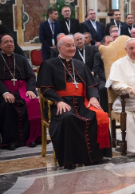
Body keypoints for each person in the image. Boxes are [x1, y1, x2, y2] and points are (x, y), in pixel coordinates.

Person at [36, 35, 111, 169]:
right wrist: (58, 101)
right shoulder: (49, 64)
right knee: (68, 118)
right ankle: (70, 160)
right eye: (68, 46)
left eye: (73, 46)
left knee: (97, 115)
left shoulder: (80, 64)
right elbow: (45, 88)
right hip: (61, 104)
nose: (72, 48)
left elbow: (92, 85)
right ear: (59, 48)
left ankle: (94, 157)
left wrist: (93, 97)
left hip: (82, 103)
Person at [0, 34, 41, 150]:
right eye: (6, 42)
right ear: (0, 45)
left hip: (22, 89)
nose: (9, 44)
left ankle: (32, 138)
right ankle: (10, 141)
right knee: (7, 105)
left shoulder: (21, 58)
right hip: (4, 91)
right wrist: (4, 93)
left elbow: (31, 76)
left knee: (32, 102)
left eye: (11, 42)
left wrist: (30, 90)